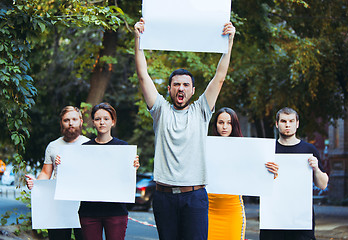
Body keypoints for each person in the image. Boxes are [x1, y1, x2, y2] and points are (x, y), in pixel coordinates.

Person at [134, 18, 235, 240]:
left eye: (186, 85)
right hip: (164, 197)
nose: (181, 88)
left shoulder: (201, 111)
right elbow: (143, 76)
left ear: (193, 90)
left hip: (195, 196)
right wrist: (138, 39)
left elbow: (219, 78)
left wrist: (229, 42)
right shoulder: (160, 110)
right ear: (169, 88)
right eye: (176, 84)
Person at [208, 107, 278, 240]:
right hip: (209, 212)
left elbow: (258, 175)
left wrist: (271, 173)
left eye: (229, 123)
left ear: (234, 125)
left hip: (233, 213)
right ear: (215, 124)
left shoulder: (245, 149)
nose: (224, 127)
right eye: (221, 122)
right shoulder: (207, 146)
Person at [260, 107, 329, 240]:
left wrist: (316, 169)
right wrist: (265, 173)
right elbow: (256, 184)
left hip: (301, 220)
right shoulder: (267, 150)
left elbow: (323, 184)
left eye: (291, 121)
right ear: (276, 124)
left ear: (297, 124)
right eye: (283, 121)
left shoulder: (309, 149)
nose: (287, 125)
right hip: (272, 220)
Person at [74, 102, 140, 240]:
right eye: (98, 119)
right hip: (89, 212)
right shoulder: (84, 148)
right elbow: (78, 176)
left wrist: (134, 168)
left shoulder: (123, 147)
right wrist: (62, 164)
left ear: (113, 122)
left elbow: (125, 179)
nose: (102, 122)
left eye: (106, 118)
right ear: (93, 122)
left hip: (116, 211)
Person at [25, 106, 89, 240]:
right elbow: (45, 173)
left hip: (84, 206)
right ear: (61, 123)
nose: (70, 123)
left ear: (81, 121)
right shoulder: (53, 146)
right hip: (58, 205)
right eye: (66, 120)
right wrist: (36, 184)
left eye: (74, 119)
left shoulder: (90, 145)